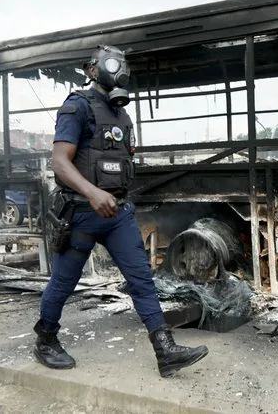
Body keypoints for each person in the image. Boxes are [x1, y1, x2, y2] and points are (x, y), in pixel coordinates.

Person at [32, 44, 209, 377]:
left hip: (118, 213)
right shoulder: (77, 106)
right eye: (113, 63)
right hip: (82, 213)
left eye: (123, 64)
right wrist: (92, 191)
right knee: (63, 282)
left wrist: (110, 192)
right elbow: (59, 161)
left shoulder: (121, 113)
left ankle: (165, 350)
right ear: (92, 69)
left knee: (142, 279)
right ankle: (45, 339)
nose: (121, 70)